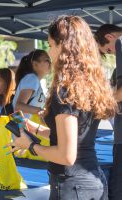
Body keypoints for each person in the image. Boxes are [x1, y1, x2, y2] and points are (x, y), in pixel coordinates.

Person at [7, 16, 117, 199]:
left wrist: (30, 145)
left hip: (73, 186)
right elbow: (74, 138)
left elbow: (66, 155)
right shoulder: (88, 86)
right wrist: (38, 130)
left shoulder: (66, 92)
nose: (50, 54)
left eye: (51, 46)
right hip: (91, 181)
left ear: (63, 47)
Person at [96, 24, 122, 200]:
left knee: (117, 190)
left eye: (109, 50)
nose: (112, 54)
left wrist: (101, 106)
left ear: (111, 38)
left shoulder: (120, 42)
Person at [13, 49, 51, 119]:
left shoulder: (33, 79)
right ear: (35, 64)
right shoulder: (32, 79)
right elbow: (18, 106)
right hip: (22, 127)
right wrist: (41, 111)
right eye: (47, 60)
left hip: (25, 127)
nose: (50, 63)